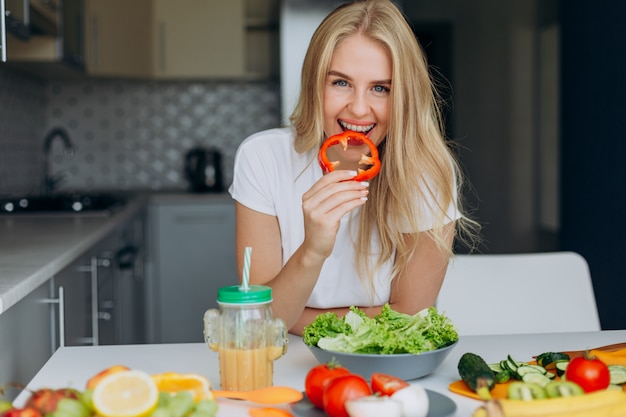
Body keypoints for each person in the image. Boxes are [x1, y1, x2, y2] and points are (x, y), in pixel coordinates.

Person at [229, 0, 479, 335]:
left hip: (380, 359)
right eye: (341, 83)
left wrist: (296, 316)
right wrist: (312, 251)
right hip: (283, 358)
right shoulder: (262, 158)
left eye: (380, 88)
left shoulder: (427, 172)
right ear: (315, 84)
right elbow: (259, 318)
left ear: (403, 96)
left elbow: (408, 314)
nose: (359, 109)